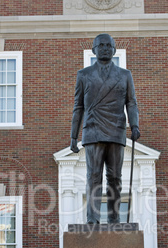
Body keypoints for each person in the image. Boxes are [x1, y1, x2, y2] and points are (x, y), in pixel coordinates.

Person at [70, 33, 140, 224]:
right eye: (101, 45)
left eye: (109, 46)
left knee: (115, 177)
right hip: (93, 130)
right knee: (93, 176)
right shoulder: (83, 75)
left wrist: (134, 125)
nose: (105, 48)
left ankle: (114, 218)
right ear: (94, 49)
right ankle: (92, 219)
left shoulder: (125, 75)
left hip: (116, 130)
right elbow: (78, 107)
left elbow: (131, 103)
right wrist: (73, 137)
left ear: (114, 49)